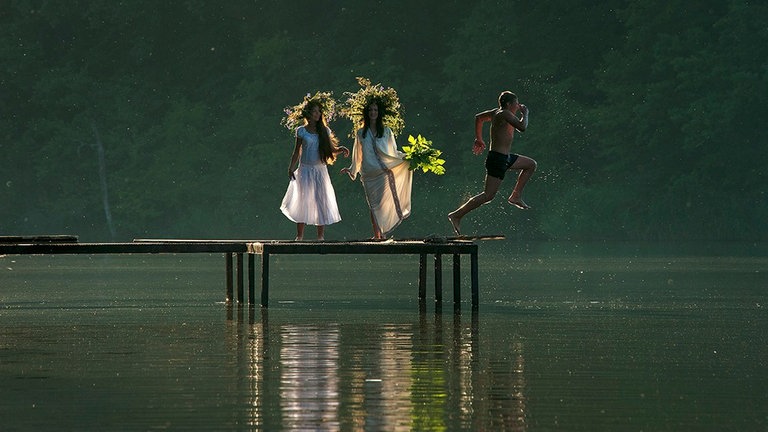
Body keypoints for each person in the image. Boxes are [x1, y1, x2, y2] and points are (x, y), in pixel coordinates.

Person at [447, 91, 536, 235]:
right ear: (509, 104)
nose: (518, 106)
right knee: (488, 195)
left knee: (531, 164)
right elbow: (522, 127)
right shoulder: (504, 114)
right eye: (516, 104)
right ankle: (456, 215)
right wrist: (525, 113)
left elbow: (479, 118)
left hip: (505, 158)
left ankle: (516, 196)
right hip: (497, 159)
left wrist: (479, 139)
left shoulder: (496, 113)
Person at [341, 100, 413, 239]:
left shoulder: (386, 131)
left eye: (375, 110)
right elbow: (358, 154)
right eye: (370, 110)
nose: (373, 113)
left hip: (383, 171)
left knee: (381, 202)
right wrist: (352, 169)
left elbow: (393, 152)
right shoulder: (361, 133)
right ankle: (376, 235)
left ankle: (382, 232)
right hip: (368, 173)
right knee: (373, 204)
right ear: (366, 113)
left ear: (379, 113)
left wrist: (408, 157)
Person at [280, 100, 349, 240]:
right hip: (305, 170)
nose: (317, 114)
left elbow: (329, 149)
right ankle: (299, 235)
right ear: (309, 114)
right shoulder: (301, 131)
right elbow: (296, 151)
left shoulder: (324, 131)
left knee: (320, 200)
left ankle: (320, 236)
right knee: (302, 199)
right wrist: (291, 167)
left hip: (319, 171)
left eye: (319, 111)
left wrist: (340, 149)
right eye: (315, 111)